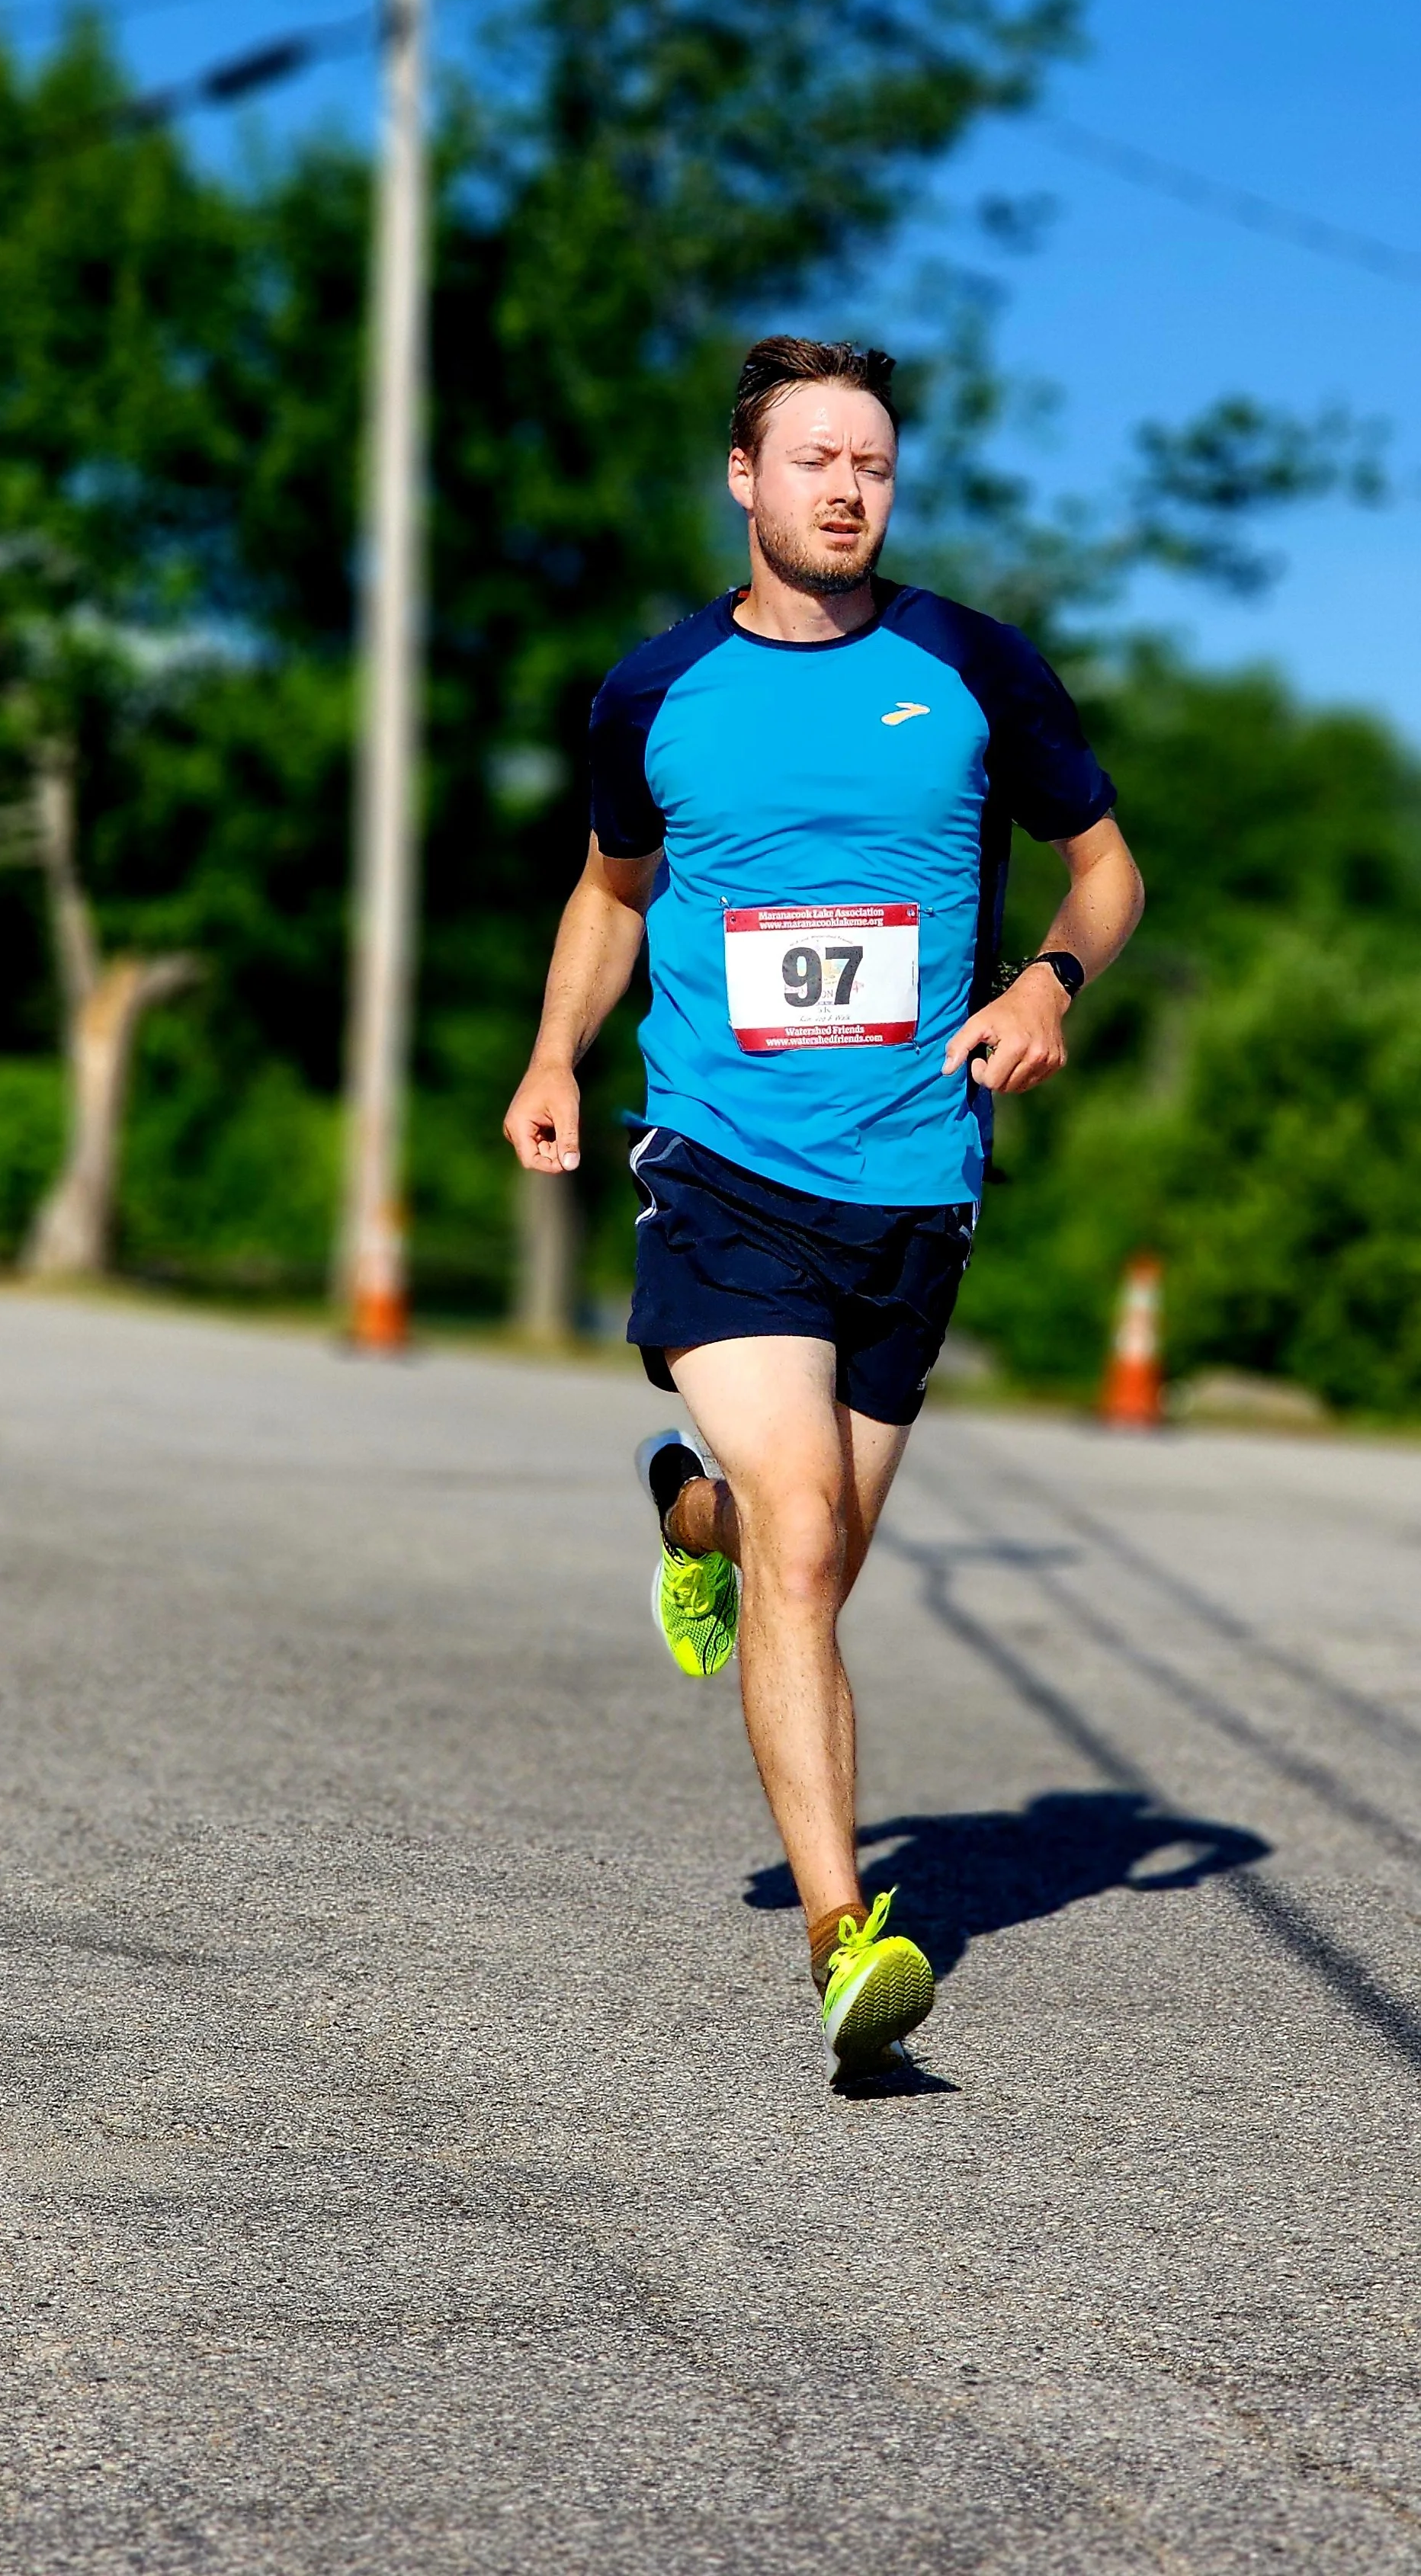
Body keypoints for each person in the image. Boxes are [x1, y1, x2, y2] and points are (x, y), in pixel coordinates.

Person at [504, 336, 1144, 2071]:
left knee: (811, 1554)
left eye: (872, 463)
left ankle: (686, 1514)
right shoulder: (656, 690)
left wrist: (1049, 984)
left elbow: (1107, 874)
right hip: (719, 1161)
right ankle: (845, 1939)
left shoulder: (971, 666)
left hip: (916, 1177)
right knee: (806, 1540)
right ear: (744, 476)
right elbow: (612, 890)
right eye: (815, 459)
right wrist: (556, 1053)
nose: (848, 490)